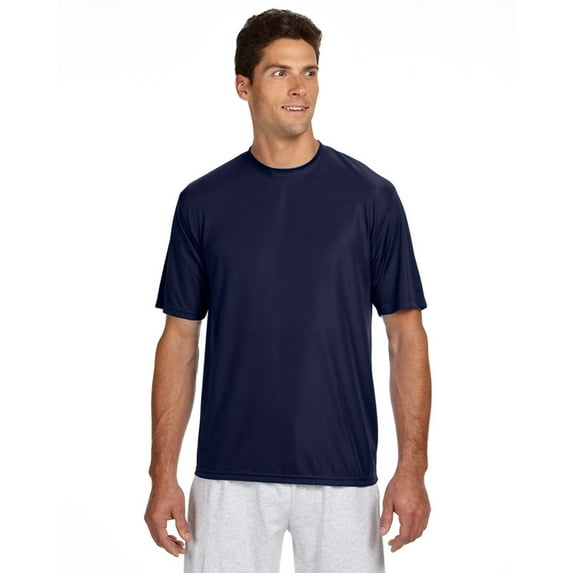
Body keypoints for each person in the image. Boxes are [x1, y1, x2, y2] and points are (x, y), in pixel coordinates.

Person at [144, 8, 431, 573]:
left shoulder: (370, 198)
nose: (300, 88)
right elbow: (179, 342)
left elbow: (406, 337)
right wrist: (162, 476)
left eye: (310, 72)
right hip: (227, 476)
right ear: (243, 86)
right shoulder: (203, 202)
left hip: (343, 474)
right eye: (280, 72)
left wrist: (412, 468)